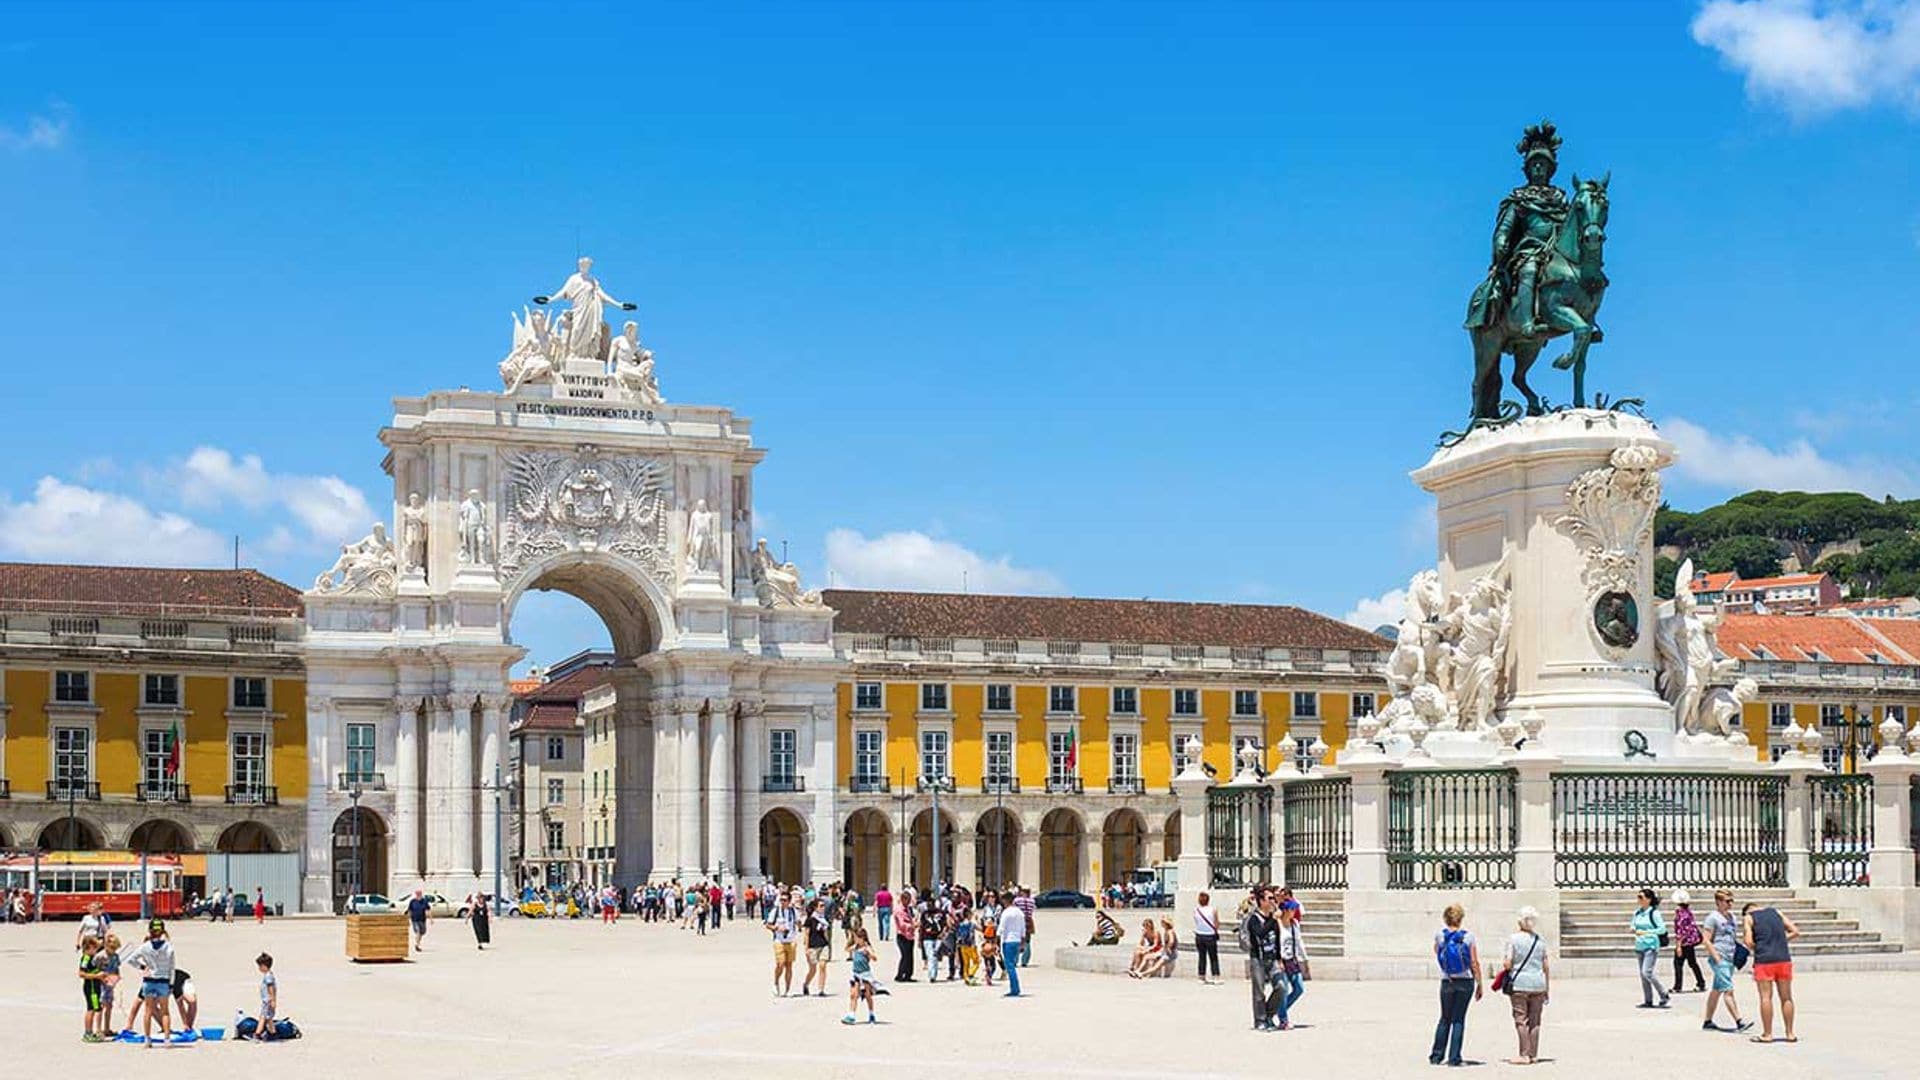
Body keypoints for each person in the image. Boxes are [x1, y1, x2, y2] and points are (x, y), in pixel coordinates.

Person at [1431, 903, 1483, 1066]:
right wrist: (1480, 982)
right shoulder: (1468, 937)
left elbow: (1437, 952)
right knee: (1458, 1019)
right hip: (1465, 980)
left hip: (1447, 980)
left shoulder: (1440, 935)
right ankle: (1454, 1057)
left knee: (1444, 1018)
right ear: (1461, 919)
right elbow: (1474, 962)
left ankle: (1436, 1056)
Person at [1743, 900, 1800, 1044]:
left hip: (1764, 960)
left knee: (1765, 998)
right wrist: (1779, 941)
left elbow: (1748, 942)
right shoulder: (1777, 912)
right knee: (1786, 997)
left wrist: (1762, 945)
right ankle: (1790, 1033)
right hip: (1783, 958)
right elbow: (1795, 931)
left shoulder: (1749, 918)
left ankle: (1767, 1034)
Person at [1501, 906, 1549, 1065]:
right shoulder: (1540, 941)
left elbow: (1508, 963)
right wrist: (1547, 987)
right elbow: (1545, 965)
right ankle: (1533, 1054)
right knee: (1535, 1021)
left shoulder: (1513, 939)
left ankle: (1524, 1054)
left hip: (1520, 983)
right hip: (1538, 984)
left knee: (1521, 1020)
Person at [1700, 890, 1752, 1034]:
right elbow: (1706, 939)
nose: (1730, 904)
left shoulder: (1732, 917)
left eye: (1731, 901)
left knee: (1717, 990)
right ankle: (1739, 1021)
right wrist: (1716, 956)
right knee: (1728, 990)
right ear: (1718, 902)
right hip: (1719, 957)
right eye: (1727, 901)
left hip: (1730, 957)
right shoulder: (1712, 918)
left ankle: (1708, 1020)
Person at [125, 919, 177, 1048]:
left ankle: (147, 1039)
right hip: (163, 980)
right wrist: (171, 983)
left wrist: (143, 967)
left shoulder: (145, 946)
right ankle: (167, 1039)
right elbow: (172, 967)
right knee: (165, 1011)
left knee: (148, 1011)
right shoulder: (168, 947)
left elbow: (131, 959)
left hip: (149, 981)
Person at [1240, 888, 1282, 1031]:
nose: (1273, 901)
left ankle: (1269, 1014)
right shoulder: (1253, 918)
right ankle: (1260, 1020)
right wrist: (1273, 919)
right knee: (1259, 991)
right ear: (1261, 900)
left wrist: (1279, 958)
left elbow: (1277, 939)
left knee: (1281, 987)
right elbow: (1260, 933)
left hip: (1272, 958)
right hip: (1258, 959)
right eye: (1270, 898)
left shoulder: (1272, 917)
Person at [1631, 888, 1670, 1009]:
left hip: (1651, 945)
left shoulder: (1654, 913)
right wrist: (1633, 928)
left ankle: (1663, 994)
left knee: (1646, 971)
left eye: (1641, 897)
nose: (1639, 900)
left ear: (1648, 899)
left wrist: (1647, 932)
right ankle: (1648, 1000)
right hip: (1639, 945)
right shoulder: (1637, 912)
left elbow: (1662, 929)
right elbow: (1633, 924)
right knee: (1643, 975)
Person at [1273, 906, 1305, 1028]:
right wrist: (1279, 960)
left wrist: (1303, 959)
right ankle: (1283, 1019)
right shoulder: (1277, 924)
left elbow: (1298, 942)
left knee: (1299, 988)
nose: (1294, 912)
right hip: (1281, 960)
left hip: (1292, 959)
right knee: (1284, 989)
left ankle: (1279, 1010)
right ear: (1285, 911)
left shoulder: (1294, 924)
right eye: (1292, 910)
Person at [1670, 889, 1706, 995]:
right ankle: (1701, 982)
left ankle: (1677, 986)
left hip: (1684, 943)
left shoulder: (1680, 914)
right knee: (1692, 963)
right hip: (1690, 942)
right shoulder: (1688, 912)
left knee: (1678, 964)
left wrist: (1678, 946)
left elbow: (1680, 931)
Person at [842, 927, 879, 1025]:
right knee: (853, 995)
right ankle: (851, 1015)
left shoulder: (867, 948)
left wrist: (869, 954)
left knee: (867, 995)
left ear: (862, 938)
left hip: (865, 975)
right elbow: (846, 949)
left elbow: (875, 958)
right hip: (856, 974)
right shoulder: (855, 947)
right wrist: (851, 941)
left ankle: (871, 1014)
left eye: (857, 938)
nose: (855, 940)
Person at [767, 889, 799, 997]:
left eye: (785, 900)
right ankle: (776, 983)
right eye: (781, 900)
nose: (783, 902)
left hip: (791, 940)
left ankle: (788, 988)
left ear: (789, 901)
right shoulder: (775, 911)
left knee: (789, 965)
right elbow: (768, 924)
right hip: (779, 940)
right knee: (780, 964)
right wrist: (777, 927)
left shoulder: (794, 911)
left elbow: (799, 923)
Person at [996, 893, 1027, 997]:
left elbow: (1001, 928)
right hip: (1017, 940)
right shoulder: (1020, 912)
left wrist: (996, 942)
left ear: (1006, 900)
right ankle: (1014, 987)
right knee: (1012, 965)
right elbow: (1023, 929)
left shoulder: (1006, 913)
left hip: (1008, 941)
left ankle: (1015, 989)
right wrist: (1023, 943)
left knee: (1009, 966)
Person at [79, 934, 107, 1043]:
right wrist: (96, 976)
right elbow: (81, 973)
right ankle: (88, 1032)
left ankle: (93, 1031)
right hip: (90, 987)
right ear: (88, 947)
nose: (96, 950)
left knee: (96, 1008)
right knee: (91, 1008)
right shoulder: (86, 958)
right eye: (94, 948)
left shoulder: (93, 957)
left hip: (96, 986)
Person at [802, 898, 833, 996]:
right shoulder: (810, 919)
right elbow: (806, 934)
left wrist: (828, 944)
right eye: (821, 906)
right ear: (815, 907)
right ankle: (806, 984)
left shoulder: (824, 919)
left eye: (824, 906)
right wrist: (806, 948)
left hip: (823, 945)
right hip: (813, 946)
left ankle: (821, 989)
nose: (823, 908)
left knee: (823, 966)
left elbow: (825, 933)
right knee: (813, 969)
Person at [1193, 891, 1222, 984]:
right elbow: (1217, 922)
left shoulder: (1196, 910)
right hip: (1210, 935)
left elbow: (1196, 921)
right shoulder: (1213, 910)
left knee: (1202, 956)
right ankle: (1215, 976)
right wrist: (1215, 929)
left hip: (1199, 935)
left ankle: (1201, 976)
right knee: (1213, 957)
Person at [250, 953, 278, 1041]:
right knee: (269, 1018)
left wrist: (273, 1000)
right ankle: (273, 1033)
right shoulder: (269, 974)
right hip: (268, 1000)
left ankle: (257, 1034)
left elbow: (271, 988)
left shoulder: (268, 976)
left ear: (264, 966)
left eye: (260, 966)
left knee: (262, 1017)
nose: (259, 969)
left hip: (267, 1001)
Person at [893, 888, 917, 982]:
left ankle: (908, 975)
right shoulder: (899, 910)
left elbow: (911, 918)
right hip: (902, 935)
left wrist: (914, 923)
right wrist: (912, 925)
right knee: (905, 956)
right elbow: (902, 924)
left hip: (910, 935)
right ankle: (900, 975)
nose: (909, 902)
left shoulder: (908, 909)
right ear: (903, 899)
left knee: (910, 956)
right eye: (908, 900)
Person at [979, 891, 1001, 988]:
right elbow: (982, 920)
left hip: (995, 934)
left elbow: (998, 920)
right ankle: (988, 974)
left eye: (992, 896)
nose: (991, 898)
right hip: (986, 934)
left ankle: (993, 972)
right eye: (989, 896)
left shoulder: (998, 908)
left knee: (994, 954)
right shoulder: (986, 908)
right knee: (986, 954)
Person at [1014, 887, 1037, 967]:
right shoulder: (1032, 901)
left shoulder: (1017, 900)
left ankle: (1015, 960)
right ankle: (1025, 961)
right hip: (1029, 921)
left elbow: (1014, 908)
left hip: (1019, 921)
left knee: (1017, 941)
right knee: (1027, 941)